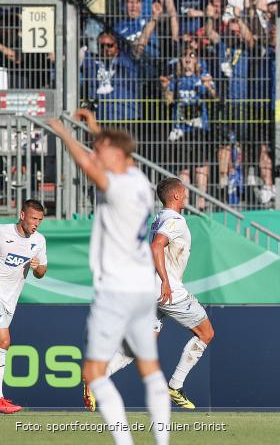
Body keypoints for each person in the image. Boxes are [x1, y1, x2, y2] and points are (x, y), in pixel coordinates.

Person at [48, 109, 170, 445]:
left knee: (93, 373)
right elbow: (108, 157)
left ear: (116, 154)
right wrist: (94, 129)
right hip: (142, 289)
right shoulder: (140, 181)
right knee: (150, 370)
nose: (96, 151)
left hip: (116, 290)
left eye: (101, 148)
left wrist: (64, 135)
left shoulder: (120, 187)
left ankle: (125, 442)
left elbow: (90, 167)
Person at [95, 178, 215, 410]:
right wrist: (166, 283)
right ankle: (176, 385)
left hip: (149, 291)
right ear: (177, 195)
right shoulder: (174, 220)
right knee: (206, 333)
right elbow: (156, 246)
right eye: (184, 190)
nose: (187, 194)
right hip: (166, 290)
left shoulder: (159, 218)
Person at [0, 200, 48, 414]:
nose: (36, 223)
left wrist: (37, 268)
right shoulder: (3, 233)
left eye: (40, 220)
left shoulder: (38, 241)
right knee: (4, 341)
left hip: (10, 300)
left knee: (3, 343)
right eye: (33, 218)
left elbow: (42, 271)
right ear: (21, 215)